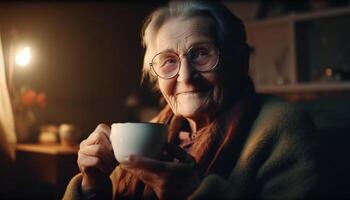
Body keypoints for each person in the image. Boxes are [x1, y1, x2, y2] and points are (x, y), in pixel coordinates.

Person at [63, 1, 321, 199]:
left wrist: (196, 193)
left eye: (201, 54)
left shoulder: (283, 126)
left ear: (239, 61)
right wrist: (90, 188)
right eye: (168, 61)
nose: (185, 77)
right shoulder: (154, 131)